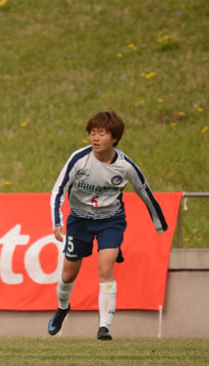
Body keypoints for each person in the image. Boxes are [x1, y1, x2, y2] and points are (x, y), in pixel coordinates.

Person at [48, 110, 168, 340]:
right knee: (68, 274)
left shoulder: (125, 166)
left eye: (102, 133)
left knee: (105, 269)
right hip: (79, 221)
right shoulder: (79, 159)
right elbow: (58, 190)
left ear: (114, 138)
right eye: (92, 133)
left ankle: (104, 327)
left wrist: (160, 224)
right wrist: (57, 222)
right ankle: (63, 306)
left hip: (110, 221)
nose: (95, 138)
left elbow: (145, 192)